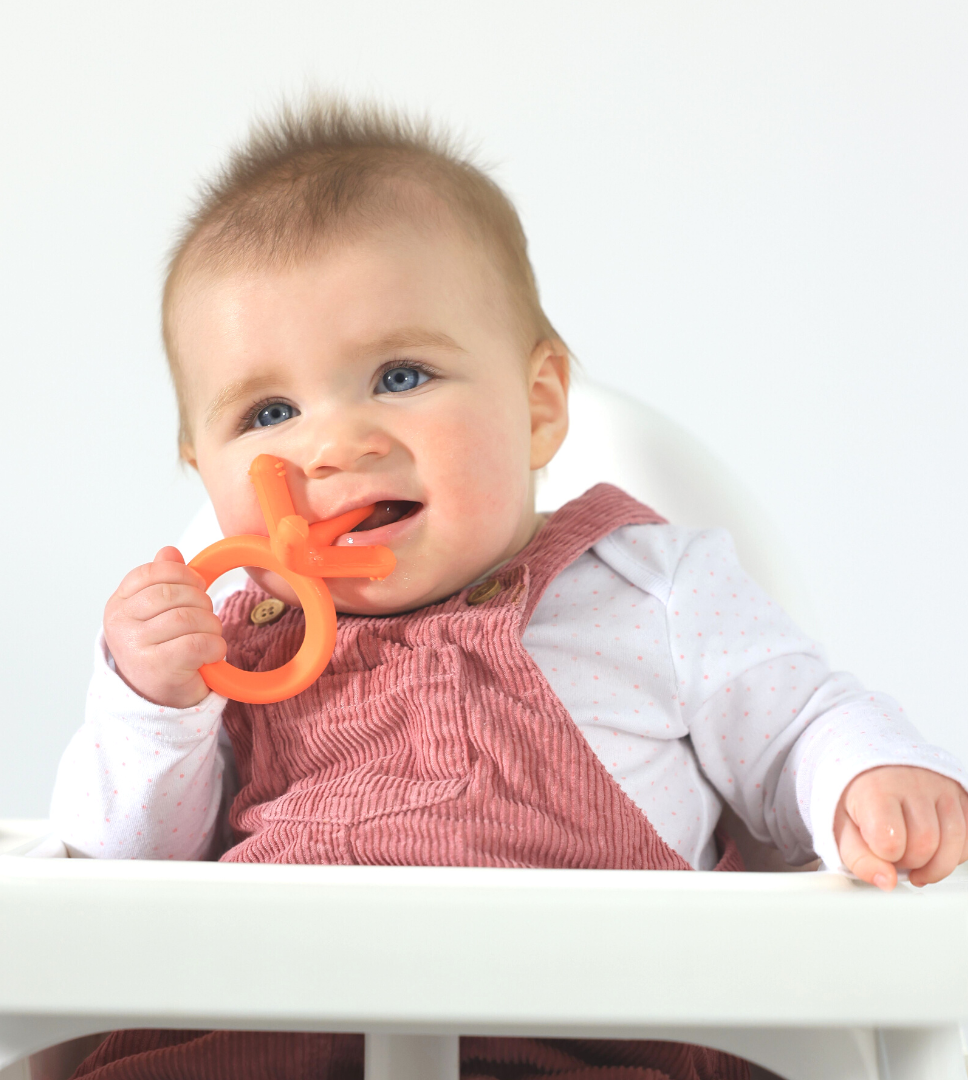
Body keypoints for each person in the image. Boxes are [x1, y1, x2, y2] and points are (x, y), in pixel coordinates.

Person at [51, 97, 968, 1080]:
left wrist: (866, 780)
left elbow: (794, 726)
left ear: (537, 408)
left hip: (586, 1038)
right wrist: (152, 706)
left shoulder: (646, 589)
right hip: (266, 1038)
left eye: (400, 375)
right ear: (204, 469)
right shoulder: (236, 652)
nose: (331, 444)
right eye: (269, 410)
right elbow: (119, 881)